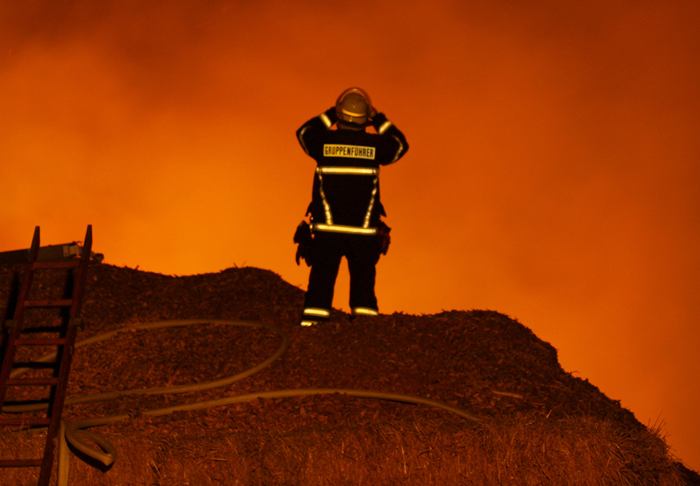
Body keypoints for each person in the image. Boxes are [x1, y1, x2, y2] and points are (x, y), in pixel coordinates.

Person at [294, 87, 409, 326]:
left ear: (340, 115)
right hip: (362, 232)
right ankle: (365, 331)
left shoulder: (323, 142)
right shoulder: (374, 146)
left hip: (328, 230)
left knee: (321, 281)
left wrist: (330, 114)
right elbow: (400, 145)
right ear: (364, 119)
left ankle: (313, 328)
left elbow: (304, 132)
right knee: (363, 284)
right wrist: (379, 119)